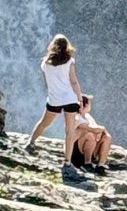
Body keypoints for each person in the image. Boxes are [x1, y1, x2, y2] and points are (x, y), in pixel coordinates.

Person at [27, 34, 84, 175]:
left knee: (44, 122)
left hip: (54, 99)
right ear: (67, 47)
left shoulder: (45, 63)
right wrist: (80, 99)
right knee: (70, 131)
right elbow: (74, 81)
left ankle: (30, 142)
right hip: (70, 99)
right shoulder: (70, 61)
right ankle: (67, 162)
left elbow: (47, 83)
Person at [74, 94, 112, 175]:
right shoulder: (76, 117)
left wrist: (101, 132)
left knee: (107, 137)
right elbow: (93, 129)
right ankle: (87, 163)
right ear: (85, 105)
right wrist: (102, 128)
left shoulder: (88, 116)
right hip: (76, 152)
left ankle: (100, 165)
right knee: (89, 135)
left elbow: (97, 129)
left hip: (90, 148)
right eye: (89, 102)